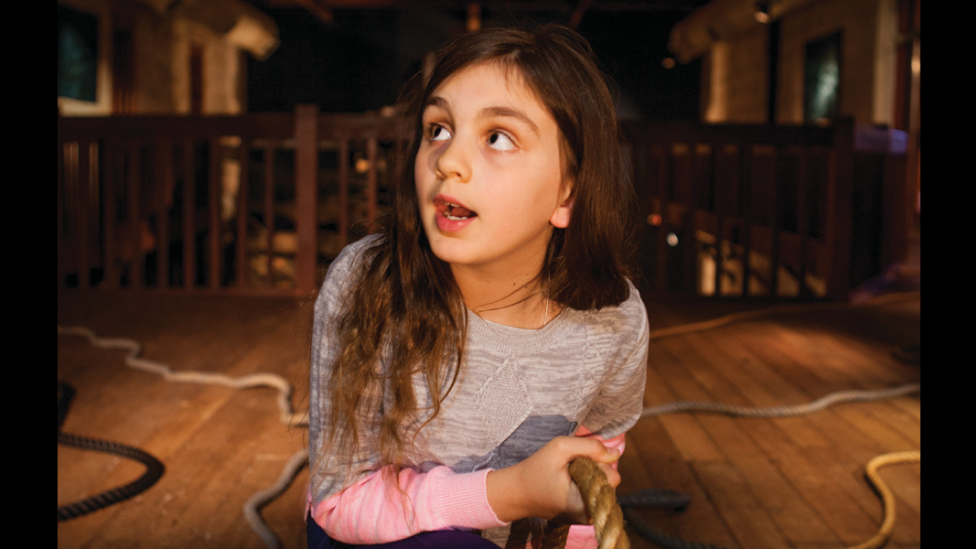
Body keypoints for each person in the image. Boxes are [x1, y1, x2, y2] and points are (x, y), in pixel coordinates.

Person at [307, 23, 649, 549]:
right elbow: (339, 497)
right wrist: (510, 493)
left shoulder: (614, 320)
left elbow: (591, 477)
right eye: (438, 129)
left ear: (567, 193)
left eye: (497, 138)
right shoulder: (366, 284)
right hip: (368, 530)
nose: (447, 161)